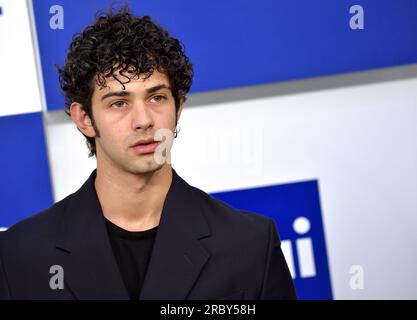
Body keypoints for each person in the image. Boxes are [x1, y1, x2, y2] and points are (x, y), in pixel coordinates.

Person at [0, 6, 296, 300]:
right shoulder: (19, 256)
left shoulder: (250, 245)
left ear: (178, 106)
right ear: (84, 119)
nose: (144, 120)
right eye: (119, 103)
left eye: (157, 97)